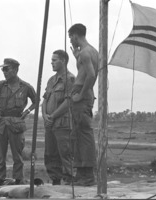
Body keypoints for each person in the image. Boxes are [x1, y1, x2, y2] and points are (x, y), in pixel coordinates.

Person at [0, 58, 36, 185]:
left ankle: (18, 179)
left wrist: (27, 111)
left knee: (17, 154)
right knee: (0, 153)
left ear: (16, 70)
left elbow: (36, 100)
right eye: (3, 69)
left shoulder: (26, 87)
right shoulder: (0, 85)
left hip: (16, 123)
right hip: (2, 123)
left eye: (7, 69)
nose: (4, 72)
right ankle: (0, 179)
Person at [68, 23, 99, 186]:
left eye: (70, 37)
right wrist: (76, 56)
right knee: (78, 134)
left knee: (84, 135)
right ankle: (81, 174)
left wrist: (80, 94)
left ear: (75, 36)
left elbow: (91, 75)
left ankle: (87, 176)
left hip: (82, 93)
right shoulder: (90, 51)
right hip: (86, 93)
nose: (70, 41)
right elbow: (86, 69)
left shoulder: (86, 53)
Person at [42, 50, 75, 185]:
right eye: (52, 60)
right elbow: (44, 100)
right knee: (50, 153)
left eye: (55, 60)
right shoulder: (51, 80)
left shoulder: (70, 79)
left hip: (62, 123)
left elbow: (69, 102)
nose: (52, 63)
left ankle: (69, 180)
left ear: (63, 61)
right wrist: (44, 115)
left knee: (65, 152)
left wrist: (53, 116)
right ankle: (55, 180)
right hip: (49, 124)